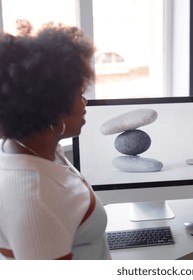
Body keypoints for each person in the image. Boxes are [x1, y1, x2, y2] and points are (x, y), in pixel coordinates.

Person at [0, 22, 111, 260]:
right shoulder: (36, 199)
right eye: (79, 95)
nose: (85, 103)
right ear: (53, 111)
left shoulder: (37, 150)